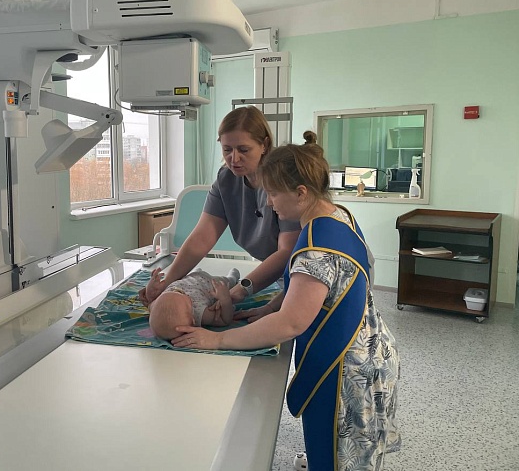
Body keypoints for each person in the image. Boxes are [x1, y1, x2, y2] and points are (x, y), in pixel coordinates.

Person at [172, 132, 401, 471]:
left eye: (273, 193)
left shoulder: (315, 249)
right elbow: (323, 287)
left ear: (301, 193)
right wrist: (272, 305)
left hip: (344, 371)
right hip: (372, 347)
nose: (268, 203)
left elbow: (291, 323)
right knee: (342, 455)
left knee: (338, 458)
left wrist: (217, 340)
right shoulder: (337, 217)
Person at [140, 106, 301, 306]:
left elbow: (287, 251)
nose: (234, 158)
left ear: (264, 145)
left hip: (299, 275)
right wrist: (167, 281)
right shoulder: (226, 180)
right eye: (227, 150)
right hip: (276, 277)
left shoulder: (285, 181)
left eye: (243, 150)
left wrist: (240, 290)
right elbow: (201, 239)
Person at [147, 267, 240, 340]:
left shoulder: (158, 305)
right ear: (193, 319)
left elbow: (150, 303)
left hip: (188, 277)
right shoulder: (200, 313)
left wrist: (150, 293)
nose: (179, 291)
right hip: (210, 283)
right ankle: (233, 277)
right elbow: (224, 320)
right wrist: (225, 299)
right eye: (182, 295)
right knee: (227, 282)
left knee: (193, 271)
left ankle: (196, 270)